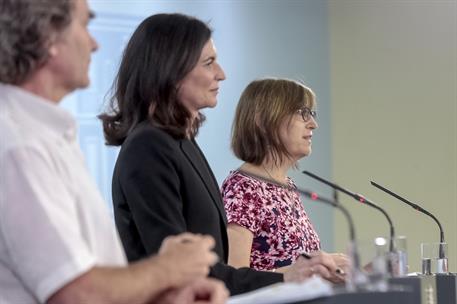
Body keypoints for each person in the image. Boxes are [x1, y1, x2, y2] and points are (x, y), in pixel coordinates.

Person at [0, 1, 228, 303]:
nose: (94, 44)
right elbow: (75, 293)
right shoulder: (20, 147)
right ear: (48, 37)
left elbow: (93, 281)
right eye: (84, 25)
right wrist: (168, 269)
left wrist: (168, 295)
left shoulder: (47, 138)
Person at [99, 13, 342, 296]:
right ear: (170, 70)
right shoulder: (149, 147)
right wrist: (287, 277)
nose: (221, 74)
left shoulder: (179, 142)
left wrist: (294, 275)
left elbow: (211, 266)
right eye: (208, 63)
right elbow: (180, 271)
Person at [221, 78, 349, 283]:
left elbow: (295, 266)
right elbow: (235, 277)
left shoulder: (287, 186)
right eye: (302, 113)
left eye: (312, 114)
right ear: (263, 121)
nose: (313, 124)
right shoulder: (243, 187)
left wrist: (346, 272)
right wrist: (307, 269)